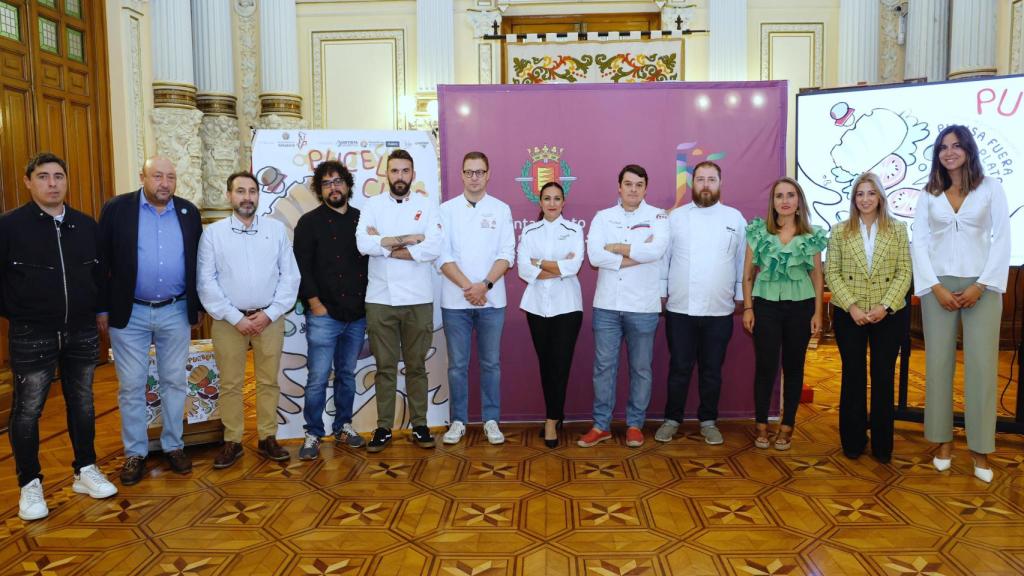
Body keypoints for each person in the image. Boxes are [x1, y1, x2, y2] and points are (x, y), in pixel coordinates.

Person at [0, 153, 118, 520]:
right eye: (43, 176)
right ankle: (29, 483)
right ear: (28, 181)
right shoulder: (9, 226)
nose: (52, 183)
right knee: (28, 410)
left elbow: (99, 276)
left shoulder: (85, 225)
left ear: (66, 181)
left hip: (81, 330)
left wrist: (100, 311)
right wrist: (19, 311)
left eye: (58, 176)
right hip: (32, 332)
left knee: (82, 402)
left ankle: (85, 469)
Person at [912, 125, 1010, 483]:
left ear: (968, 150)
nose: (949, 152)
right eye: (943, 147)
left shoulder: (990, 188)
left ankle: (980, 448)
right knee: (938, 365)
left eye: (956, 146)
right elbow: (919, 241)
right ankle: (942, 443)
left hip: (982, 286)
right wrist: (935, 287)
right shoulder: (929, 193)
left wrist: (981, 285)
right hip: (937, 287)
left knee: (982, 368)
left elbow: (1003, 239)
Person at [97, 156, 203, 486]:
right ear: (142, 176)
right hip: (130, 312)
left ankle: (173, 445)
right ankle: (135, 453)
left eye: (171, 177)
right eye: (157, 176)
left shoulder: (188, 212)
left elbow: (197, 263)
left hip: (175, 309)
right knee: (131, 385)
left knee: (174, 381)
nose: (165, 183)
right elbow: (101, 262)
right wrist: (101, 308)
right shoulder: (117, 209)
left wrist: (196, 306)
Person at [197, 171, 300, 468]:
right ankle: (233, 440)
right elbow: (206, 282)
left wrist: (269, 314)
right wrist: (235, 317)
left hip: (270, 319)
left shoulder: (276, 230)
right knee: (230, 383)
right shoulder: (213, 234)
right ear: (229, 195)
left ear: (258, 195)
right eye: (240, 191)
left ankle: (267, 437)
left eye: (252, 191)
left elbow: (290, 277)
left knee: (268, 381)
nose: (247, 197)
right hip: (228, 321)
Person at [355, 149, 443, 453]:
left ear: (413, 175)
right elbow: (362, 244)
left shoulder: (427, 205)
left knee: (416, 365)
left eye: (405, 171)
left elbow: (433, 247)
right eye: (395, 171)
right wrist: (410, 238)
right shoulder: (373, 205)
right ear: (386, 174)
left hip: (419, 298)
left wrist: (385, 242)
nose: (400, 176)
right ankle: (383, 427)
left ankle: (420, 424)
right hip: (380, 298)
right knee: (385, 367)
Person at [655, 161, 746, 445]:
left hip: (719, 310)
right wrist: (661, 292)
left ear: (720, 183)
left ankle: (708, 421)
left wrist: (741, 295)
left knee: (712, 370)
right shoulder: (676, 217)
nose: (706, 185)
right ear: (692, 183)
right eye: (700, 179)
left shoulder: (735, 218)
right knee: (679, 368)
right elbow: (664, 258)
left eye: (711, 179)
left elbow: (742, 260)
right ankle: (672, 419)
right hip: (680, 309)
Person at [579, 164, 669, 448]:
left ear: (645, 188)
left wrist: (617, 247)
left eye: (639, 184)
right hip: (607, 306)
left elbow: (657, 250)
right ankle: (601, 425)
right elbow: (595, 256)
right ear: (619, 187)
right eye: (628, 184)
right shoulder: (603, 217)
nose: (633, 189)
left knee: (641, 368)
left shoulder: (658, 215)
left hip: (643, 307)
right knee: (603, 368)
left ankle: (634, 425)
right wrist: (638, 254)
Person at [825, 171, 911, 463]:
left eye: (871, 193)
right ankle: (853, 440)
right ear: (853, 199)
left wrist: (885, 306)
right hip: (850, 314)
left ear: (880, 197)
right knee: (853, 376)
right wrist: (852, 307)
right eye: (860, 194)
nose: (865, 199)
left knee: (883, 377)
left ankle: (882, 446)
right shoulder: (839, 231)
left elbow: (904, 272)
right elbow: (832, 273)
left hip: (888, 314)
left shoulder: (898, 229)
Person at [742, 177, 825, 451]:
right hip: (765, 307)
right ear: (773, 202)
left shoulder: (811, 236)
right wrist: (748, 307)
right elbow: (747, 276)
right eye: (779, 196)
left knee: (794, 367)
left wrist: (818, 314)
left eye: (791, 195)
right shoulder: (758, 233)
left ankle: (788, 425)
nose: (785, 200)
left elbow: (817, 277)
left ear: (799, 201)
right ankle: (761, 424)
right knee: (765, 367)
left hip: (801, 308)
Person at [439, 151, 515, 445]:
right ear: (461, 174)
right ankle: (458, 420)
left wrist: (484, 285)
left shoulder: (501, 209)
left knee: (490, 364)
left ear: (488, 174)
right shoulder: (446, 210)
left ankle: (491, 420)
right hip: (455, 301)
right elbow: (442, 256)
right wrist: (469, 288)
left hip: (491, 302)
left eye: (479, 172)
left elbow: (506, 254)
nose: (474, 177)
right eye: (469, 172)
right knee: (457, 365)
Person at [293, 160, 369, 458]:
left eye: (338, 181)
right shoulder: (308, 223)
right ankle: (313, 432)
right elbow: (301, 268)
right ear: (319, 189)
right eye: (326, 183)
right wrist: (314, 304)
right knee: (317, 378)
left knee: (347, 374)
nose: (333, 188)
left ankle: (343, 425)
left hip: (356, 314)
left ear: (347, 185)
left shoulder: (362, 219)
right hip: (323, 314)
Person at [517, 182, 584, 448]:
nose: (552, 203)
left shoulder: (575, 230)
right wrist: (557, 266)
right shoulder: (529, 231)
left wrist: (539, 263)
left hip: (567, 308)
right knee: (546, 365)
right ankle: (556, 415)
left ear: (563, 202)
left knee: (561, 364)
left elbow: (573, 266)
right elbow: (523, 269)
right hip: (536, 308)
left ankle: (550, 420)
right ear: (540, 202)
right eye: (547, 198)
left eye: (557, 198)